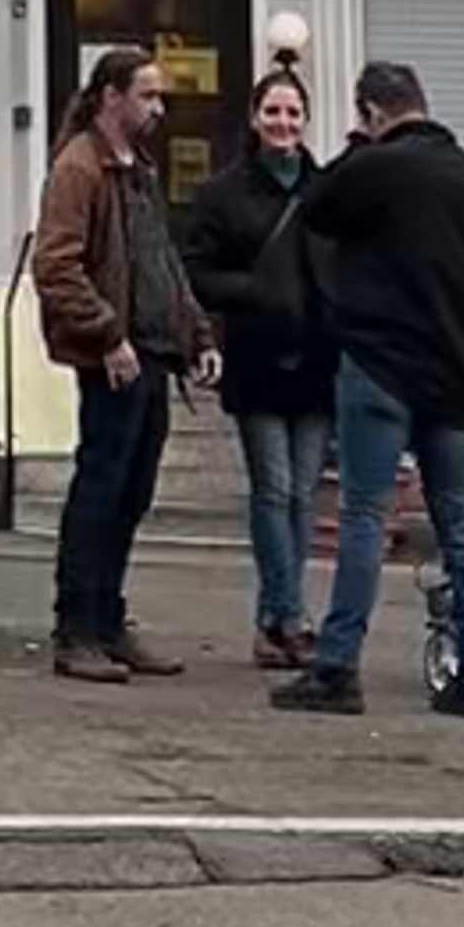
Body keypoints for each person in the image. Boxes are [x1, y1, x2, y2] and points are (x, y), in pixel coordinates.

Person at [268, 52, 464, 717]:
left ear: (372, 113)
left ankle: (338, 668)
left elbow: (315, 206)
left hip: (379, 365)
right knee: (458, 519)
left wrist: (355, 148)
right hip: (454, 373)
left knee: (363, 514)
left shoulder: (375, 165)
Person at [30, 56, 218, 685]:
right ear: (112, 97)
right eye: (149, 96)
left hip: (153, 354)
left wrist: (196, 335)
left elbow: (161, 261)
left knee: (131, 494)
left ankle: (108, 620)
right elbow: (55, 266)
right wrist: (107, 335)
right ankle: (76, 628)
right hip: (114, 358)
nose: (159, 109)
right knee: (100, 489)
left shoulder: (139, 170)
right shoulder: (79, 168)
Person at [183, 63, 333, 670]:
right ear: (254, 118)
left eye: (293, 112)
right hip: (257, 359)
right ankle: (290, 615)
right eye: (272, 111)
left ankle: (276, 622)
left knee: (302, 495)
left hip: (319, 361)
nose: (283, 122)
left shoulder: (326, 189)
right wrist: (258, 290)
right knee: (274, 491)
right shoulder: (222, 193)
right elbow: (197, 272)